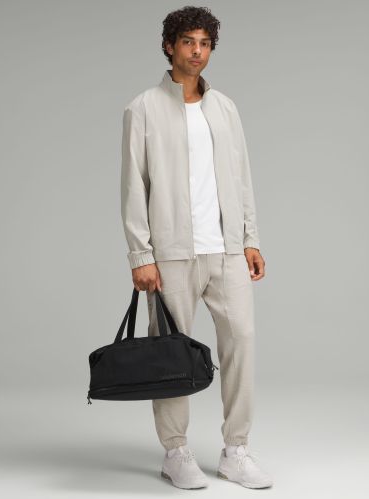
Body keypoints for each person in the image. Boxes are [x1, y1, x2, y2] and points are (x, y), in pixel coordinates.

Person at [120, 5, 273, 490]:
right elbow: (133, 185)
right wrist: (141, 255)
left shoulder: (224, 108)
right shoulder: (143, 108)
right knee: (171, 353)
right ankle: (176, 452)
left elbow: (242, 178)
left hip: (226, 251)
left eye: (205, 43)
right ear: (169, 46)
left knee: (241, 343)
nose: (197, 51)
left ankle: (236, 450)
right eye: (188, 42)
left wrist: (250, 239)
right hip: (171, 255)